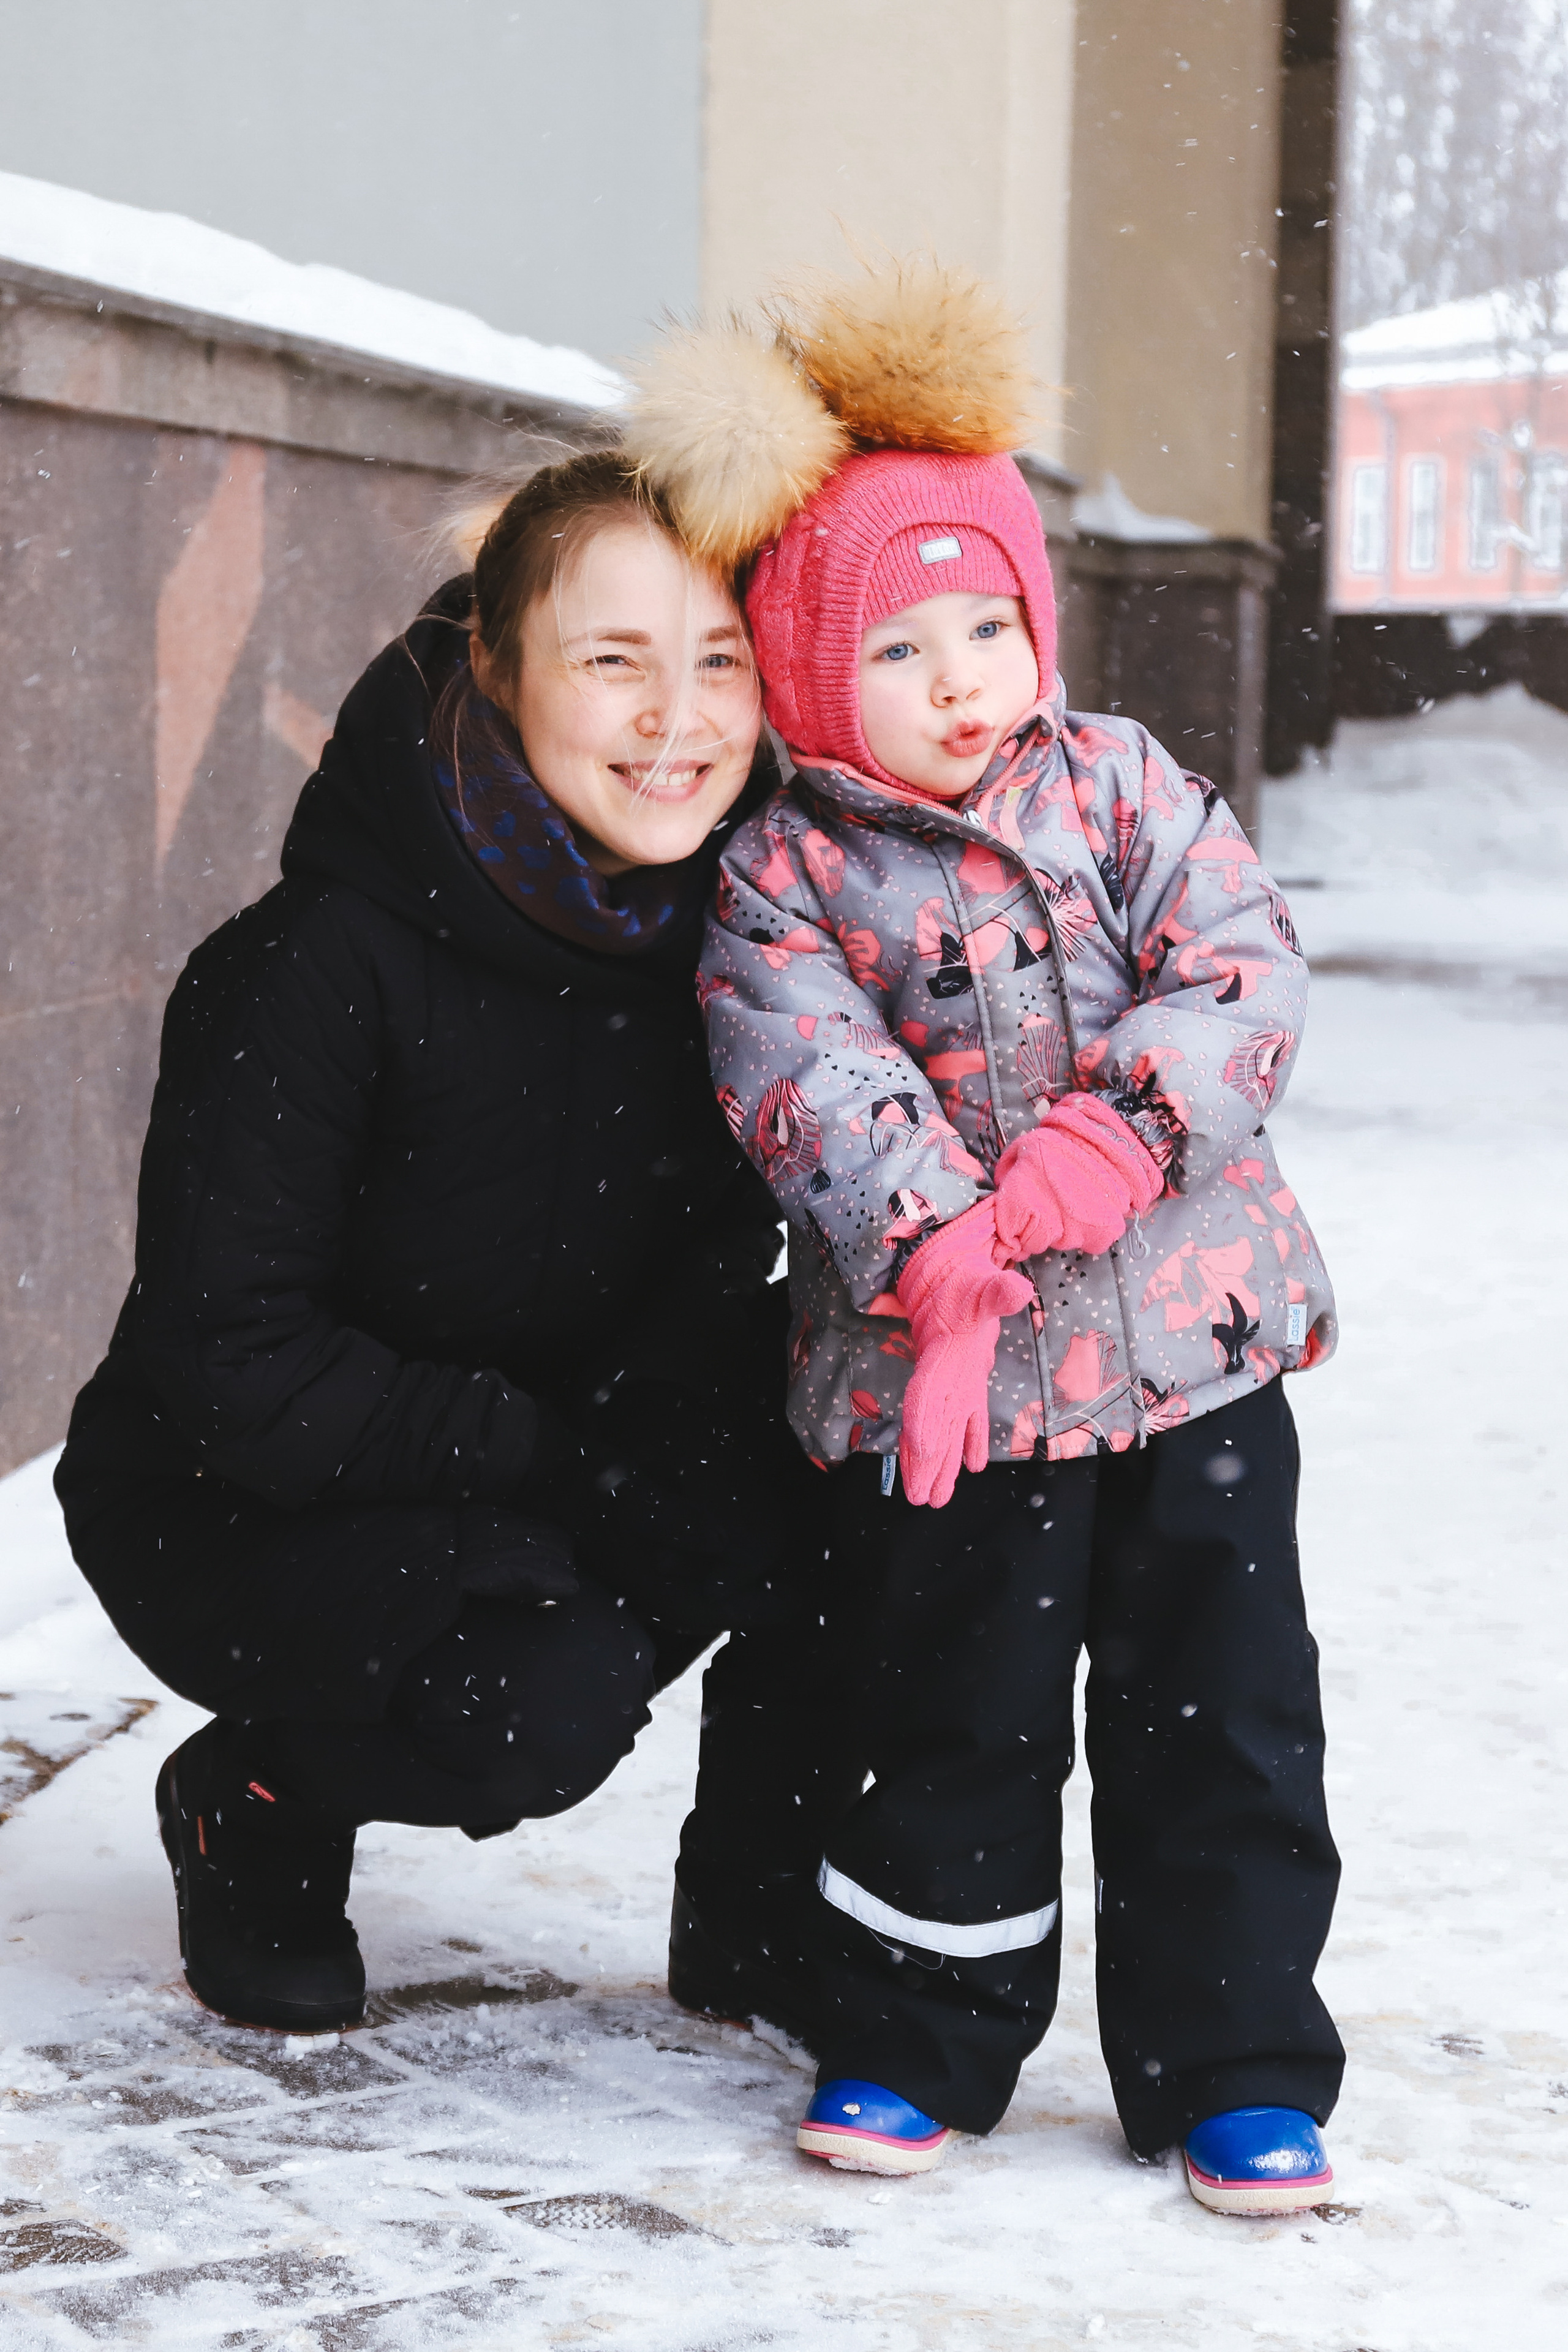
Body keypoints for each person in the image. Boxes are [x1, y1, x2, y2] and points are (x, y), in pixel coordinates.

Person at [618, 262, 1345, 2212]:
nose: (961, 677)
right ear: (797, 673)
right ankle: (919, 2037)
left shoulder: (1123, 789)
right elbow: (801, 1073)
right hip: (959, 1393)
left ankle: (1237, 2061)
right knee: (954, 1725)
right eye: (898, 648)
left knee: (1228, 1721)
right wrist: (932, 1245)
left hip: (1194, 1351)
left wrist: (1124, 1134)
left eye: (990, 624)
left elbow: (1243, 967)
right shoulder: (786, 871)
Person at [55, 448, 859, 2042]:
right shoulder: (315, 964)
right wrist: (538, 1457)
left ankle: (755, 1919)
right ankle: (261, 1799)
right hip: (242, 1498)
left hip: (534, 1462)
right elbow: (235, 1359)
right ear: (490, 663)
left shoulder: (738, 950)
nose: (677, 720)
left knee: (843, 1503)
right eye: (612, 660)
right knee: (532, 1706)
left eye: (719, 664)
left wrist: (699, 1465)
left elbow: (704, 1287)